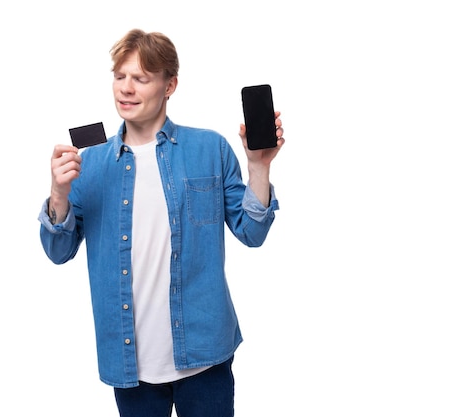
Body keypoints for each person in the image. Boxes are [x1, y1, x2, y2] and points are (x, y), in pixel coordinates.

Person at [38, 28, 284, 417]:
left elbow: (252, 232)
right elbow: (57, 251)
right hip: (131, 364)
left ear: (170, 85)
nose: (126, 89)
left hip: (205, 356)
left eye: (141, 78)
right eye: (120, 77)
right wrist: (58, 194)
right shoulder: (90, 163)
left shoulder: (210, 149)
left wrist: (258, 167)